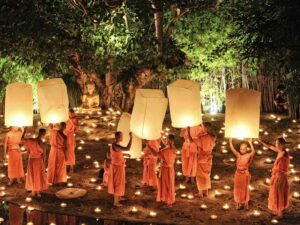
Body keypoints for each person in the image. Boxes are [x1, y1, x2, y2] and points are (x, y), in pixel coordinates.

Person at [258, 137, 290, 217]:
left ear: (282, 145)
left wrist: (281, 176)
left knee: (279, 193)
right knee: (275, 192)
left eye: (278, 144)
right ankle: (277, 210)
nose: (276, 145)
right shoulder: (280, 151)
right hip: (277, 175)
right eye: (276, 143)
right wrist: (262, 140)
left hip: (281, 177)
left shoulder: (283, 154)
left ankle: (280, 213)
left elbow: (284, 168)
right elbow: (270, 146)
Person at [187, 122, 216, 197]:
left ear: (205, 128)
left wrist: (188, 130)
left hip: (202, 158)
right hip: (209, 158)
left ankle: (200, 192)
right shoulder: (213, 137)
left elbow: (191, 140)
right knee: (206, 174)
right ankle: (205, 191)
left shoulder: (202, 137)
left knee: (200, 175)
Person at [147, 134, 176, 208]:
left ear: (169, 140)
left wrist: (149, 146)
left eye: (166, 139)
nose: (165, 140)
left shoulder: (165, 150)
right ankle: (168, 200)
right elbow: (167, 145)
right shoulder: (173, 148)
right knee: (170, 184)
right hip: (171, 169)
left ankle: (169, 203)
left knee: (166, 185)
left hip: (165, 170)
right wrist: (162, 138)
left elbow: (155, 154)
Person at [229, 138, 255, 210]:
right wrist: (230, 142)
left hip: (244, 174)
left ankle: (245, 203)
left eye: (244, 149)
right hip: (238, 174)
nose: (242, 150)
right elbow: (232, 149)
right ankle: (238, 203)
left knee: (244, 189)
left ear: (246, 149)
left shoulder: (248, 155)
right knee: (237, 188)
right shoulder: (238, 155)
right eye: (241, 148)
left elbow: (253, 151)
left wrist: (250, 142)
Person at [108, 131, 132, 207]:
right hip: (117, 167)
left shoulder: (116, 145)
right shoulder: (115, 145)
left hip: (119, 166)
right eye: (122, 136)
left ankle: (119, 198)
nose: (123, 137)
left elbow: (118, 153)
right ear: (118, 137)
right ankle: (116, 202)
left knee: (120, 182)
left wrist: (125, 155)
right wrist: (131, 138)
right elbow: (127, 148)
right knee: (117, 183)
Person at [22, 128, 48, 197]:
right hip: (38, 160)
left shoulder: (31, 140)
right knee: (38, 175)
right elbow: (44, 154)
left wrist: (24, 130)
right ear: (43, 134)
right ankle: (37, 191)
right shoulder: (40, 142)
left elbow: (22, 139)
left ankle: (35, 190)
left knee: (33, 174)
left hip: (32, 160)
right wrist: (44, 162)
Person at [64, 109, 79, 173]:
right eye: (69, 113)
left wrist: (73, 124)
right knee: (65, 152)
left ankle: (71, 167)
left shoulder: (75, 119)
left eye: (71, 113)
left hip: (70, 137)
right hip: (64, 136)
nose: (69, 114)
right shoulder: (65, 119)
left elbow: (76, 128)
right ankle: (65, 166)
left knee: (71, 152)